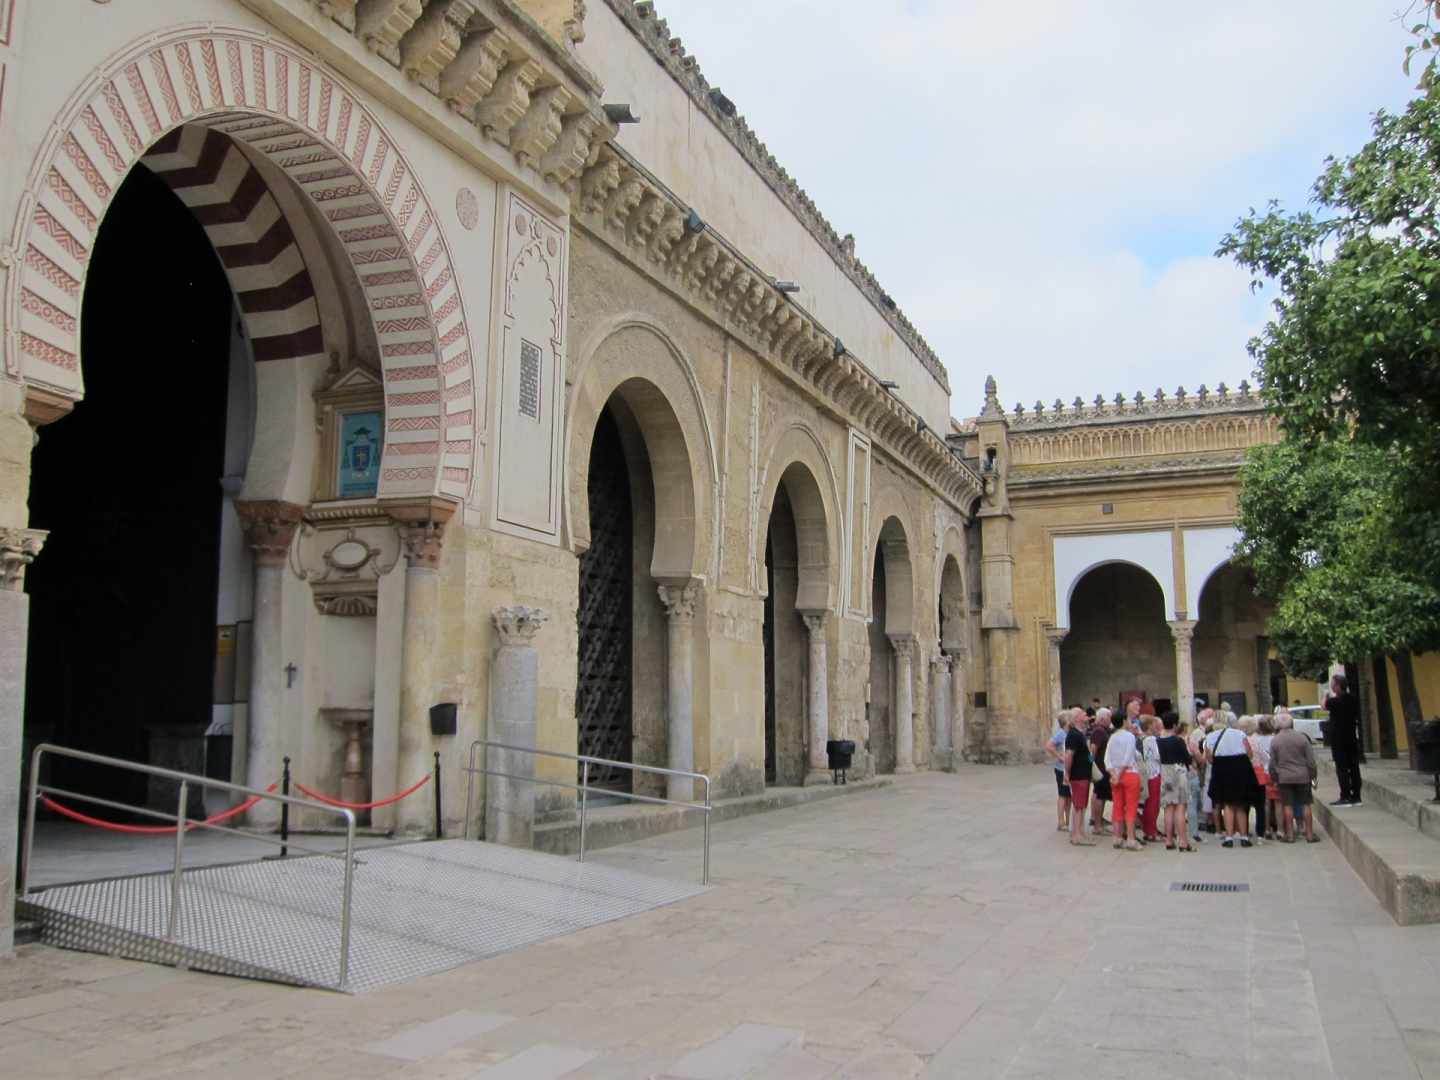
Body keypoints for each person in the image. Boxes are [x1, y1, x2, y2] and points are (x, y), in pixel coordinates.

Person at [1206, 713, 1258, 848]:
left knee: (1227, 805)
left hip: (1222, 770)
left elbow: (1210, 759)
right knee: (1241, 804)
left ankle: (1228, 837)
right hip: (1240, 769)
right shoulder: (1239, 734)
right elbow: (1250, 754)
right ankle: (1244, 836)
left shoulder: (1210, 737)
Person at [1270, 710, 1321, 843]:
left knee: (1287, 805)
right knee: (1306, 804)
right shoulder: (1302, 738)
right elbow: (1311, 760)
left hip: (1284, 777)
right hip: (1302, 775)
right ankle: (1309, 834)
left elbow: (1272, 763)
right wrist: (1313, 775)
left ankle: (1290, 835)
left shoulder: (1275, 740)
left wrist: (1275, 777)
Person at [1104, 710, 1142, 851]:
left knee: (1117, 806)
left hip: (1115, 775)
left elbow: (1106, 759)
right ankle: (1131, 839)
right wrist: (1119, 775)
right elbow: (1127, 758)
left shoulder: (1112, 737)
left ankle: (1117, 837)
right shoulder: (1130, 737)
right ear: (1125, 721)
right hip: (1129, 773)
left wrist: (1114, 774)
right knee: (1131, 807)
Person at [1157, 711, 1194, 851]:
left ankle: (1168, 839)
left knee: (1168, 807)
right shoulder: (1178, 740)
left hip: (1165, 773)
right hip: (1178, 772)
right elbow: (1187, 759)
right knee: (1180, 807)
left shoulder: (1158, 740)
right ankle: (1183, 841)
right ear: (1174, 724)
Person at [1325, 674, 1363, 806]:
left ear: (1337, 686)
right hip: (1351, 737)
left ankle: (1345, 795)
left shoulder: (1334, 701)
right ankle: (1356, 796)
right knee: (1354, 767)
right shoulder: (1353, 699)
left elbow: (1323, 705)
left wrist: (1325, 695)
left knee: (1341, 768)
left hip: (1338, 739)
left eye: (1333, 684)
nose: (1331, 685)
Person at [1064, 706, 1095, 846]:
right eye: (1083, 713)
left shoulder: (1079, 733)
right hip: (1078, 774)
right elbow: (1069, 755)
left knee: (1081, 805)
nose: (1085, 715)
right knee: (1078, 805)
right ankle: (1076, 835)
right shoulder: (1074, 734)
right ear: (1077, 718)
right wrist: (1067, 772)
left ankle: (1080, 831)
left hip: (1083, 774)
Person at [1088, 709, 1113, 837]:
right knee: (1099, 796)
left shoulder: (1102, 730)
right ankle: (1097, 826)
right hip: (1100, 769)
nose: (1111, 719)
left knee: (1101, 796)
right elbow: (1092, 750)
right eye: (1109, 717)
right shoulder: (1099, 731)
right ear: (1103, 718)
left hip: (1103, 768)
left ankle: (1098, 822)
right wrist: (1090, 765)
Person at [1047, 710, 1072, 832]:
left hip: (1068, 769)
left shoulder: (1069, 733)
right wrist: (1059, 756)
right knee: (1063, 795)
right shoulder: (1061, 733)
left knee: (1069, 796)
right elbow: (1049, 745)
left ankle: (1068, 820)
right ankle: (1061, 821)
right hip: (1061, 769)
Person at [1139, 714, 1162, 842]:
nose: (1156, 726)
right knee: (1153, 804)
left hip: (1148, 773)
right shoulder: (1151, 739)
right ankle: (1151, 831)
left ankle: (1149, 830)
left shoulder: (1143, 739)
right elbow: (1158, 756)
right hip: (1154, 773)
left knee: (1150, 804)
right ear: (1149, 726)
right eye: (1153, 724)